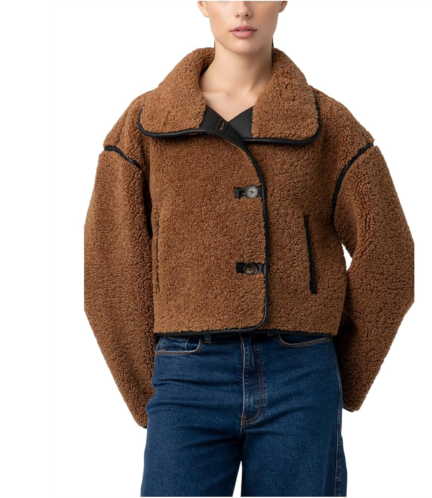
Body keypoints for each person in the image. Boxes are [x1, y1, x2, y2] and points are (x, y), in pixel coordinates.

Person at [84, 1, 414, 496]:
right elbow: (110, 266)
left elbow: (389, 255)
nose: (242, 9)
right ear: (201, 2)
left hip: (300, 375)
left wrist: (338, 367)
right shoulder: (145, 125)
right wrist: (149, 387)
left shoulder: (329, 125)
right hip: (186, 376)